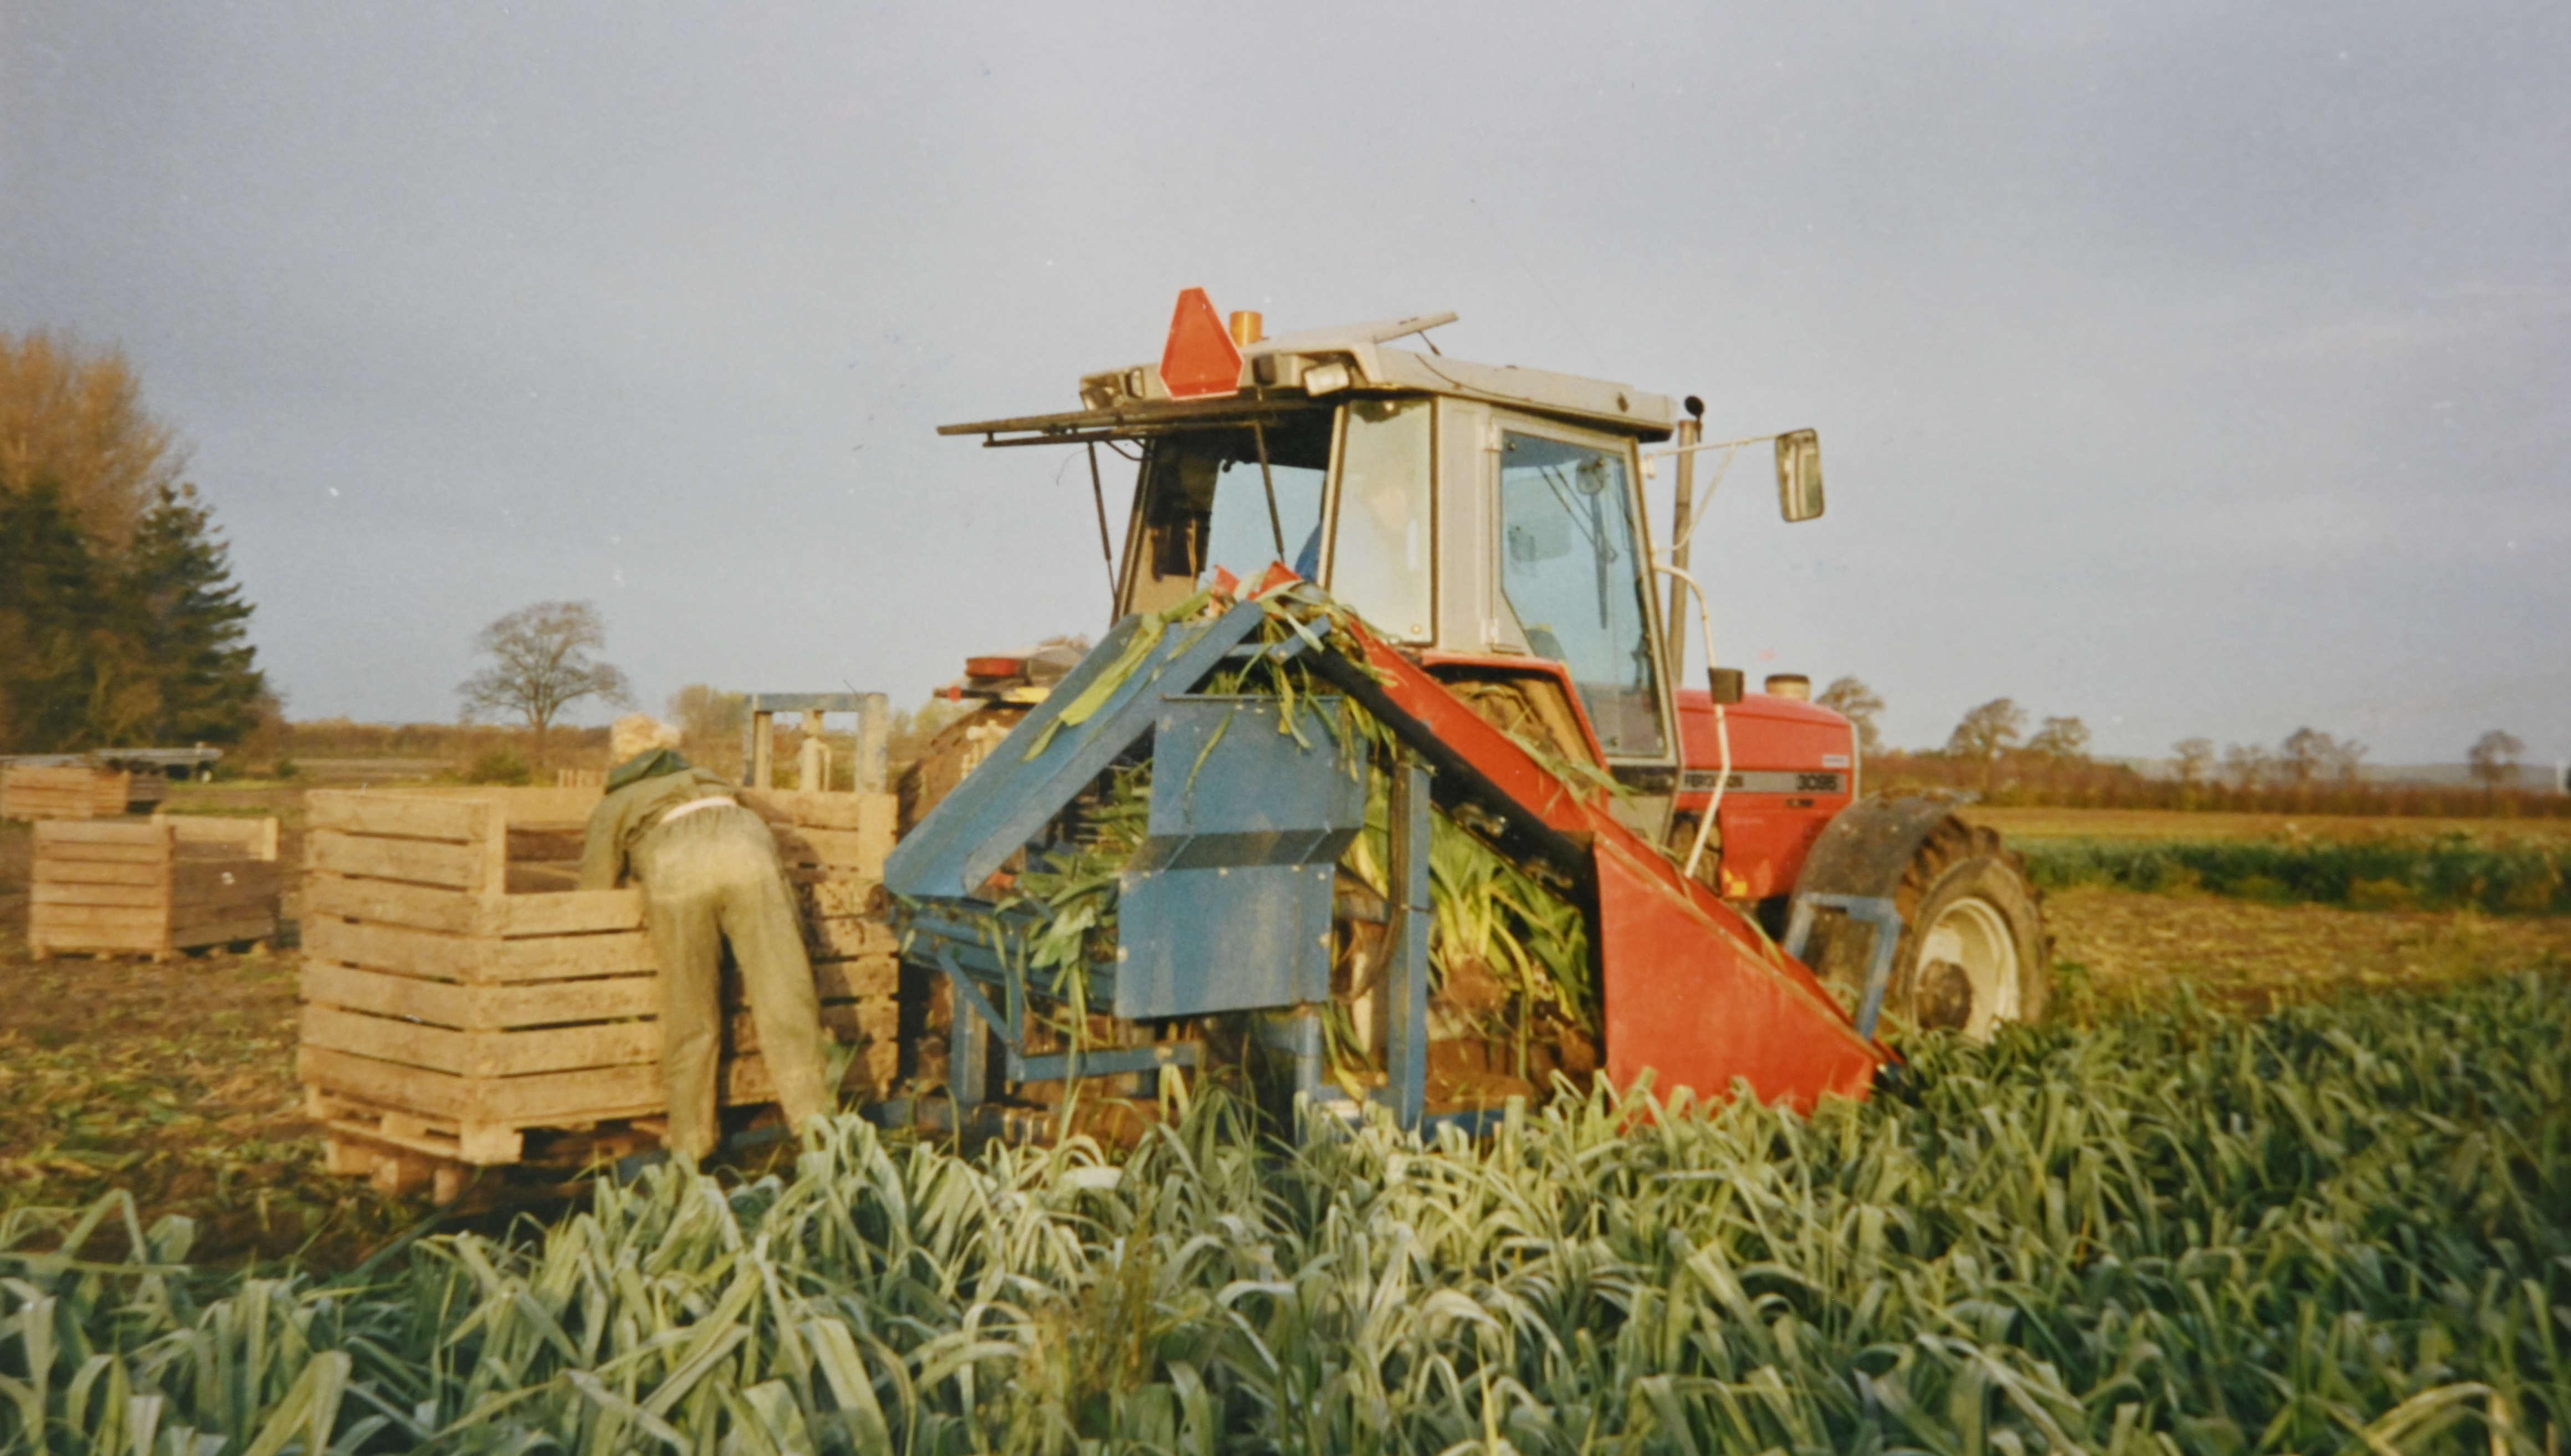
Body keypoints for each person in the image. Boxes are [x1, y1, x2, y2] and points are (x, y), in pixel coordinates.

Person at [580, 716, 834, 1163]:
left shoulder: (616, 801)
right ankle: (816, 1127)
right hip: (748, 853)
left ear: (621, 758)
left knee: (691, 1008)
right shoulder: (711, 780)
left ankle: (691, 1142)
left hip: (678, 869)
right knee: (785, 993)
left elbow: (593, 891)